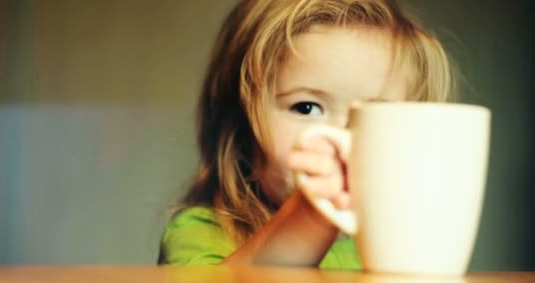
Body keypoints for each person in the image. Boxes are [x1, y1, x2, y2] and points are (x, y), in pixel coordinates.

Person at [158, 0, 454, 268]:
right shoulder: (198, 232)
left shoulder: (385, 245)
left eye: (370, 116)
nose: (341, 140)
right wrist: (310, 216)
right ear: (241, 126)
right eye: (307, 108)